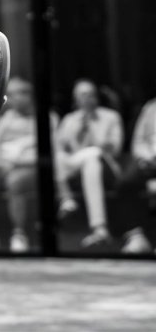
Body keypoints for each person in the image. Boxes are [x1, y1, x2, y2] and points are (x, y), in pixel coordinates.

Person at [0, 77, 57, 253]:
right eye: (11, 95)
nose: (13, 99)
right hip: (1, 166)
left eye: (19, 94)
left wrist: (16, 162)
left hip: (28, 167)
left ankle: (19, 235)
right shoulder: (7, 118)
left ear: (29, 95)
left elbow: (50, 151)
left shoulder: (47, 118)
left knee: (15, 182)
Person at [55, 79, 123, 248]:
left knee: (92, 155)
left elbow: (114, 149)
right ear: (75, 99)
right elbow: (60, 147)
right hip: (75, 169)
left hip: (106, 167)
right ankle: (98, 228)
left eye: (91, 94)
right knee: (58, 154)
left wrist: (91, 126)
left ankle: (69, 201)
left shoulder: (111, 117)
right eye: (83, 95)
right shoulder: (69, 120)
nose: (88, 98)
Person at [108, 97, 156, 253]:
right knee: (125, 183)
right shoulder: (150, 107)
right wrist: (146, 157)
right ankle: (136, 237)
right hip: (149, 160)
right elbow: (138, 141)